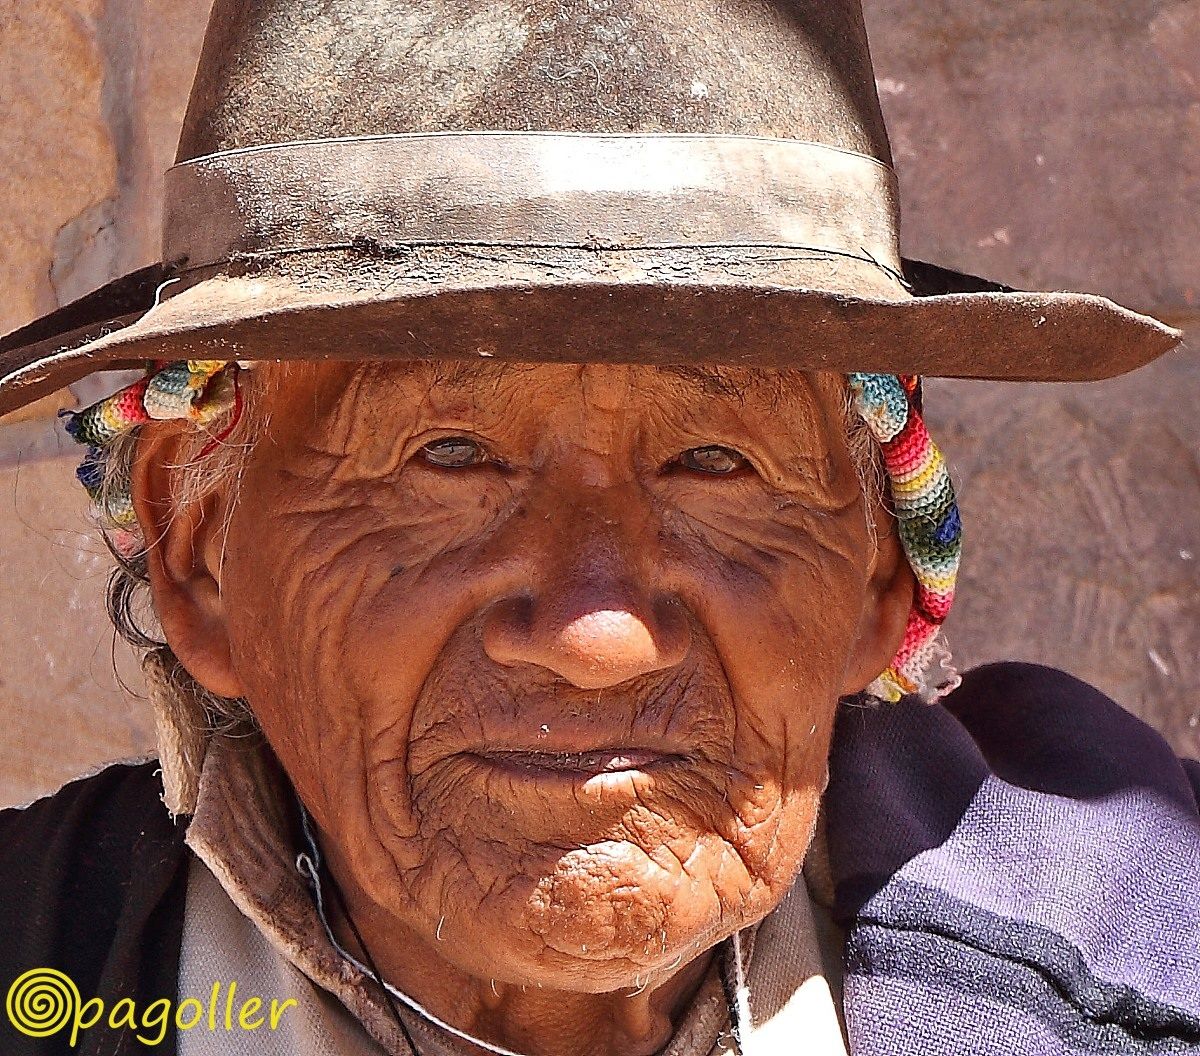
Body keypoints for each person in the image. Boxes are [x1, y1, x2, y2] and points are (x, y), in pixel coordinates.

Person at [0, 1, 1196, 1054]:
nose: (598, 635)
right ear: (199, 554)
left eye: (715, 461)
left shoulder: (1132, 971)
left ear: (876, 577)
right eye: (450, 456)